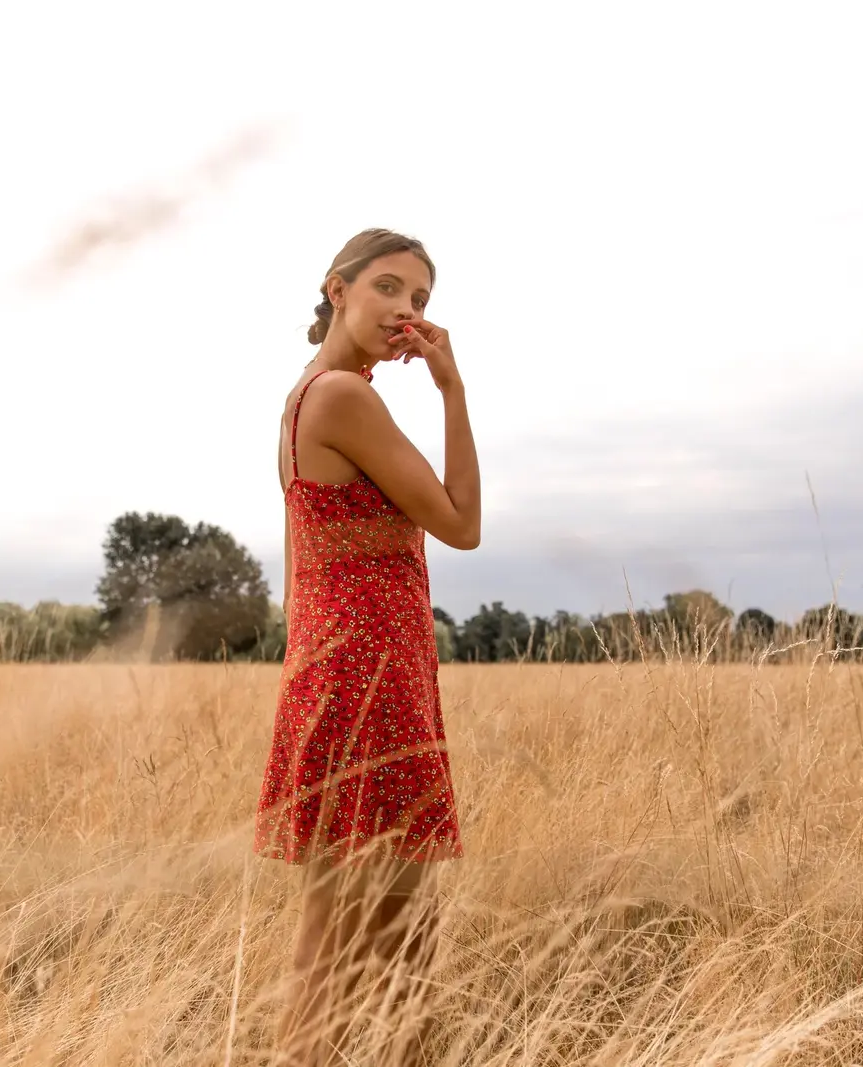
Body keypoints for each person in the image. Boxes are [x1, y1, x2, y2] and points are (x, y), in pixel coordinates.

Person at [253, 227, 481, 1066]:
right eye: (388, 288)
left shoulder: (300, 398)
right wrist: (454, 389)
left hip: (335, 669)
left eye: (420, 300)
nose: (406, 311)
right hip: (369, 679)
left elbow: (297, 571)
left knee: (357, 935)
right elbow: (462, 522)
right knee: (388, 940)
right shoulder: (346, 396)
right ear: (337, 289)